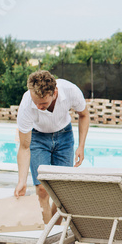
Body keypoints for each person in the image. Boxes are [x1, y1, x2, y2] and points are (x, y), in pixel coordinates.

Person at [14, 70, 89, 224]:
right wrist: (21, 180)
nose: (38, 107)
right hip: (38, 137)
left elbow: (84, 115)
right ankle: (46, 237)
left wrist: (81, 146)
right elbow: (24, 147)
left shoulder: (70, 91)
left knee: (62, 191)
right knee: (42, 189)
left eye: (43, 103)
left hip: (64, 136)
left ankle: (55, 230)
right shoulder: (27, 104)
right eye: (36, 102)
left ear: (54, 92)